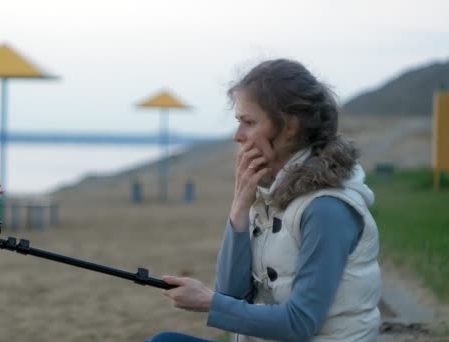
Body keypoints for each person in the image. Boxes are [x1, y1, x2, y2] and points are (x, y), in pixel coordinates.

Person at [147, 59, 381, 342]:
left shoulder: (326, 208)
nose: (238, 136)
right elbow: (232, 295)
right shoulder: (271, 195)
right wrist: (239, 208)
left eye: (248, 122)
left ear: (290, 126)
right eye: (238, 122)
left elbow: (300, 323)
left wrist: (208, 302)